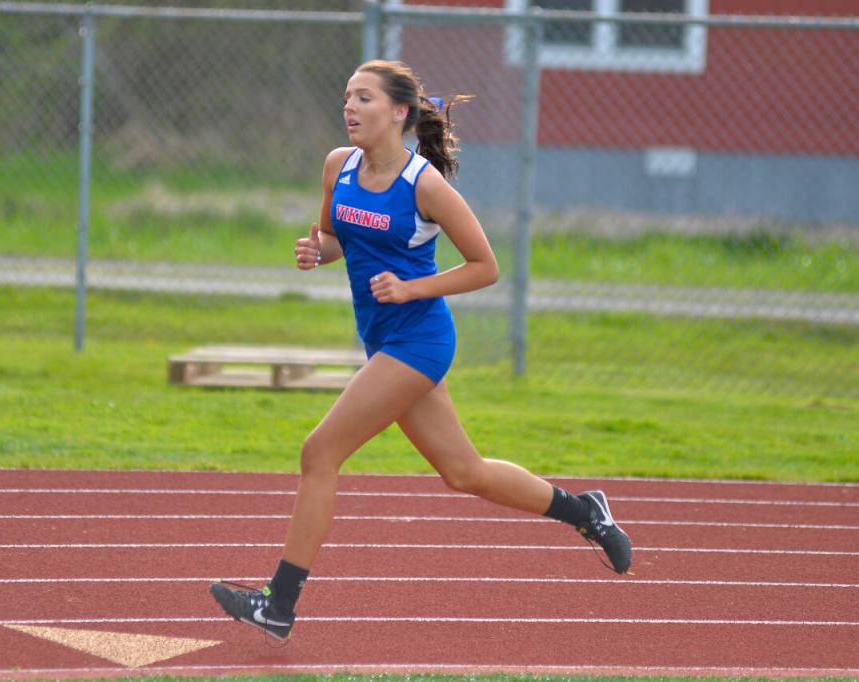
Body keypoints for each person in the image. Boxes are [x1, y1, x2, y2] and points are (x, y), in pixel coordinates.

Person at [210, 59, 631, 642]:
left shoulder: (424, 183)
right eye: (346, 98)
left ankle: (278, 604)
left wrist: (411, 287)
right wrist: (317, 252)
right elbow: (337, 237)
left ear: (399, 113)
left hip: (421, 340)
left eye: (364, 99)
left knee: (319, 452)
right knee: (465, 473)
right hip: (381, 338)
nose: (350, 109)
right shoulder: (339, 165)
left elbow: (486, 267)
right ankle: (585, 511)